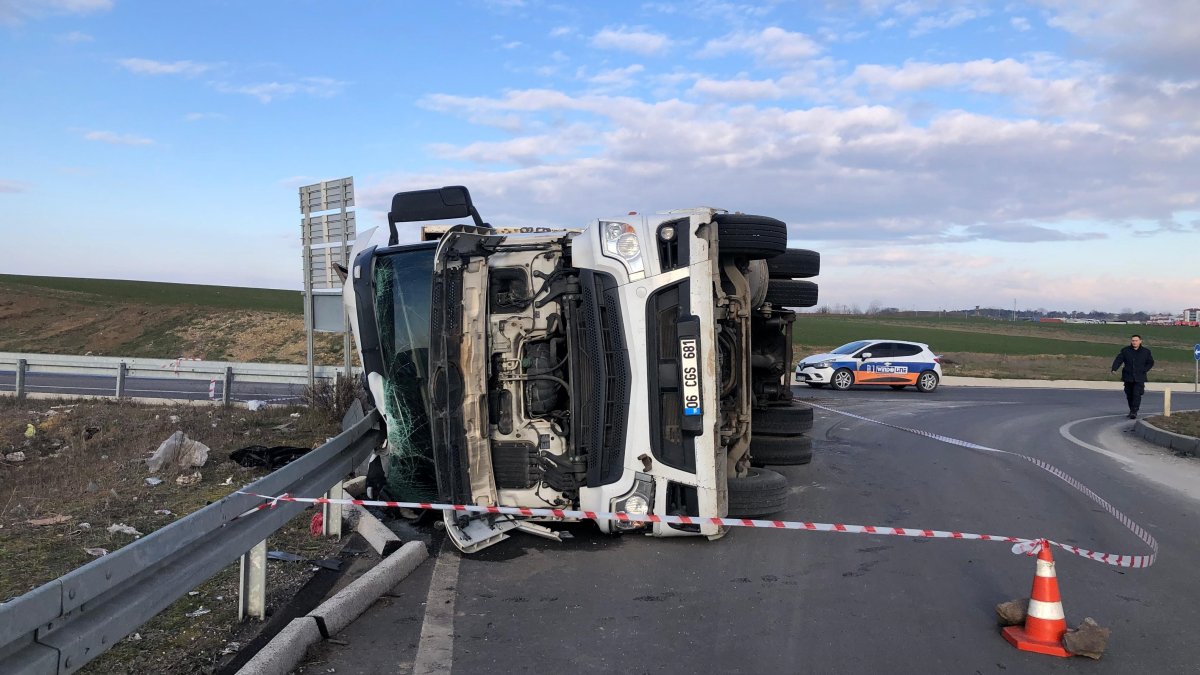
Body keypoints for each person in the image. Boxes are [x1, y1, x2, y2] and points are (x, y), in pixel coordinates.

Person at [1111, 334, 1154, 419]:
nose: (1134, 342)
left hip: (1139, 377)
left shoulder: (1146, 352)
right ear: (1131, 341)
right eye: (1133, 341)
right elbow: (1119, 359)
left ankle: (1134, 411)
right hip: (1128, 376)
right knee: (1129, 394)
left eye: (1136, 340)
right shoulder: (1125, 350)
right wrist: (1114, 368)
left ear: (1140, 341)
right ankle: (1131, 410)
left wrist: (1144, 369)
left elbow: (1150, 362)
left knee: (1136, 394)